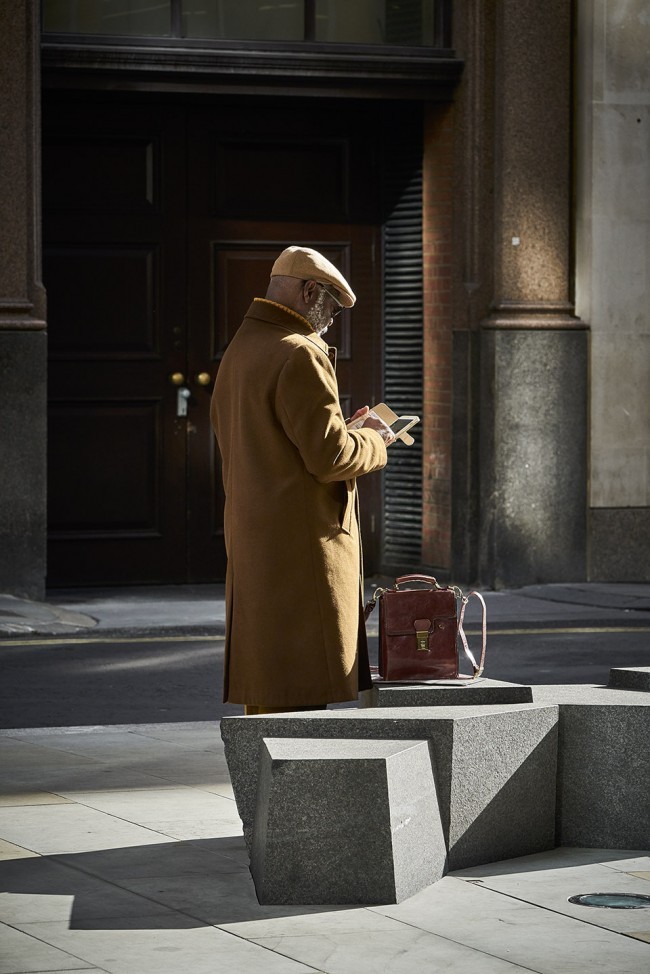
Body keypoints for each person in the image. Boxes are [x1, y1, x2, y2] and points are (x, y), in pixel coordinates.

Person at [210, 246, 394, 715]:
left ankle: (269, 766)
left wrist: (347, 431)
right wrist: (374, 441)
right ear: (310, 291)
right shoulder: (300, 353)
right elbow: (331, 458)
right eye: (332, 306)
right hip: (301, 545)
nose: (332, 320)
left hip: (256, 536)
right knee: (302, 692)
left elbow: (280, 442)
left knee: (270, 684)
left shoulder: (240, 349)